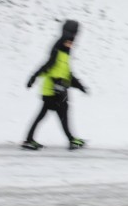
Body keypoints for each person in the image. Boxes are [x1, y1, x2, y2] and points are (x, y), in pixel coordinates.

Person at [22, 19, 87, 150]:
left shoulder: (65, 52)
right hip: (53, 91)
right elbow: (47, 66)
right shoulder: (58, 49)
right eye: (70, 40)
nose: (72, 43)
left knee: (51, 116)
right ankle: (71, 140)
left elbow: (67, 73)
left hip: (59, 90)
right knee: (61, 115)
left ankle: (29, 140)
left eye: (73, 40)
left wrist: (79, 85)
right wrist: (33, 77)